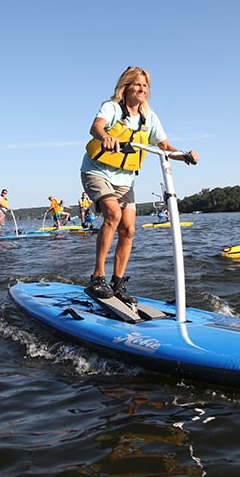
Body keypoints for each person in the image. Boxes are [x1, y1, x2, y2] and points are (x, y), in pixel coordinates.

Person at [80, 66, 199, 305]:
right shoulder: (112, 108)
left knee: (129, 229)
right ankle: (97, 276)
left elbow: (165, 146)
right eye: (137, 84)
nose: (142, 89)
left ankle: (118, 283)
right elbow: (96, 126)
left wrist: (185, 155)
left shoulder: (150, 118)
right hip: (97, 172)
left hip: (125, 180)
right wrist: (106, 137)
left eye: (145, 85)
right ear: (126, 87)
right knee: (112, 214)